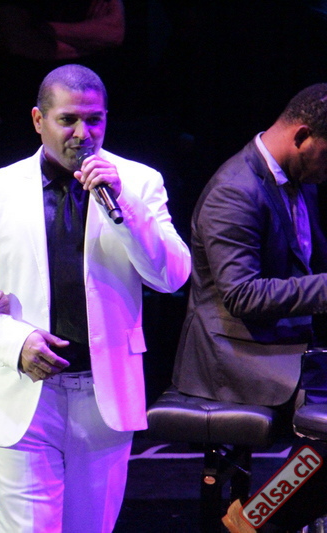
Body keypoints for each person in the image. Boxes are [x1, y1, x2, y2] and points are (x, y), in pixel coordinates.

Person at [0, 64, 191, 532]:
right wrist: (15, 342)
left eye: (94, 120)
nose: (83, 133)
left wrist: (124, 204)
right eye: (68, 120)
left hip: (103, 395)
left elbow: (171, 277)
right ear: (39, 120)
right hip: (24, 393)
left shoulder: (137, 182)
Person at [168, 83, 327, 533]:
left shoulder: (299, 179)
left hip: (284, 341)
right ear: (301, 136)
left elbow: (310, 267)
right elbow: (243, 297)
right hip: (234, 354)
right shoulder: (234, 191)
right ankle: (254, 523)